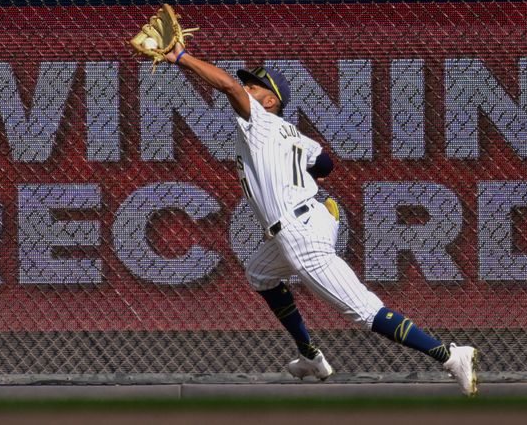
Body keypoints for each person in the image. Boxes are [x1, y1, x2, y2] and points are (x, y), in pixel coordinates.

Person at [162, 43, 479, 396]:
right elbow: (325, 162)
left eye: (255, 86)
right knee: (261, 274)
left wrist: (181, 58)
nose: (247, 88)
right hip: (308, 218)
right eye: (249, 84)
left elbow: (228, 86)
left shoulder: (262, 124)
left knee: (363, 310)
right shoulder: (293, 135)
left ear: (269, 102)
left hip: (299, 233)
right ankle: (309, 355)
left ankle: (449, 355)